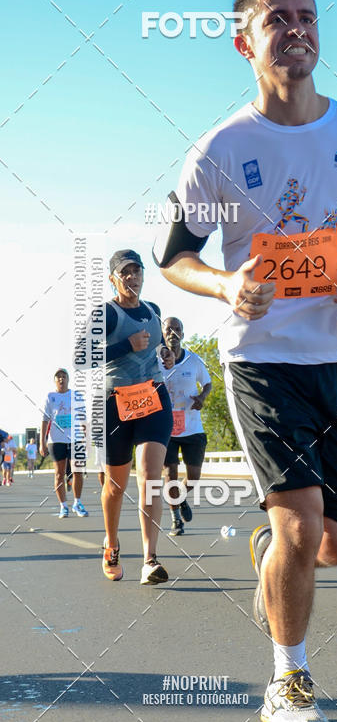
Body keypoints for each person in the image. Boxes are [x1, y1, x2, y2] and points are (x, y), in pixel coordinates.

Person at [155, 0, 337, 722]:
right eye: (278, 20)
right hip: (261, 360)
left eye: (308, 16)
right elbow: (173, 256)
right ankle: (288, 682)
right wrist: (226, 287)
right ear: (244, 42)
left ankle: (269, 554)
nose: (297, 29)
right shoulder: (220, 149)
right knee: (301, 528)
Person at [76, 249, 173, 584]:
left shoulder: (154, 311)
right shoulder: (107, 313)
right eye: (125, 272)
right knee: (115, 485)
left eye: (137, 271)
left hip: (153, 396)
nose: (132, 277)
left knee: (150, 475)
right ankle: (112, 543)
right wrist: (125, 345)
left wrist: (165, 356)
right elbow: (80, 356)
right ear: (113, 279)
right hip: (115, 403)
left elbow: (156, 349)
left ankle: (150, 559)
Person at [159, 318, 212, 536]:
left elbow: (207, 383)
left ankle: (179, 497)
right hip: (165, 428)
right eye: (168, 329)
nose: (173, 333)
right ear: (162, 333)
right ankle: (175, 521)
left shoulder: (194, 360)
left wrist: (201, 397)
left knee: (194, 478)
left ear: (183, 333)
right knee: (169, 475)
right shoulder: (154, 362)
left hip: (192, 427)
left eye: (177, 329)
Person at [40, 371, 87, 516]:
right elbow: (45, 420)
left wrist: (86, 438)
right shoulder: (50, 397)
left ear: (68, 379)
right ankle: (63, 506)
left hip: (75, 439)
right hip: (56, 440)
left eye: (64, 376)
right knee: (59, 474)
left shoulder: (76, 395)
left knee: (77, 471)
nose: (61, 379)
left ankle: (77, 503)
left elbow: (83, 419)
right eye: (58, 377)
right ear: (55, 380)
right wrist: (42, 442)